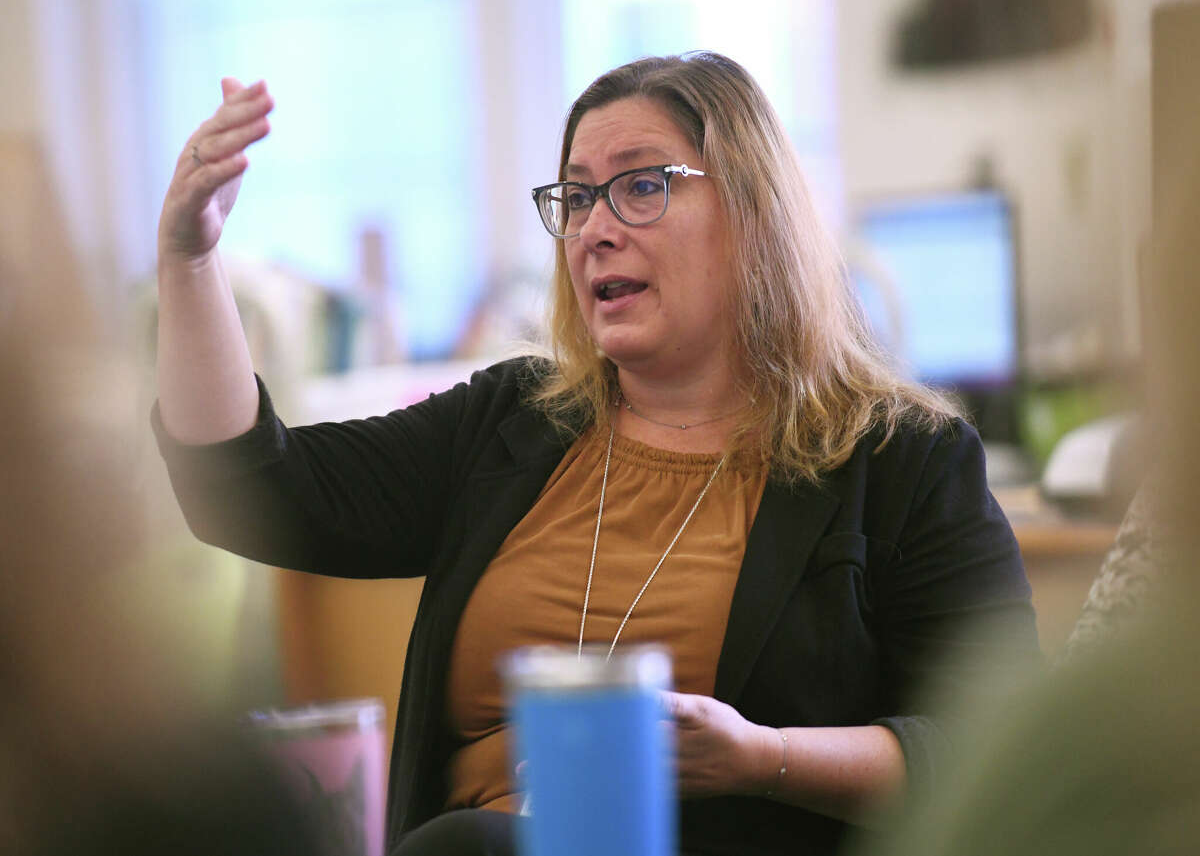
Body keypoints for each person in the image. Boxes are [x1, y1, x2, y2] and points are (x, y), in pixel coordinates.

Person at [153, 52, 1040, 856]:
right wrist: (191, 258)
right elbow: (247, 487)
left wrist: (759, 757)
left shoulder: (899, 460)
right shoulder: (513, 422)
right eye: (576, 197)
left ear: (752, 213)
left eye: (641, 186)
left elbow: (998, 748)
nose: (593, 229)